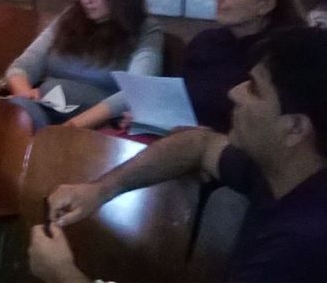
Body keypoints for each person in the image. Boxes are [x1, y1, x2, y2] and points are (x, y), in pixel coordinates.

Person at [29, 26, 327, 283]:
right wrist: (100, 190)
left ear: (295, 128)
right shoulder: (283, 168)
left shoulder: (300, 246)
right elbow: (200, 144)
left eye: (254, 89)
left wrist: (62, 274)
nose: (234, 93)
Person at [6, 0, 162, 130]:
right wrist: (25, 94)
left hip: (93, 124)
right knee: (14, 110)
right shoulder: (69, 18)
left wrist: (70, 127)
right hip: (44, 109)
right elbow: (22, 66)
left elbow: (136, 90)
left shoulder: (145, 29)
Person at [183, 0, 304, 133]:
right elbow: (181, 96)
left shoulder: (285, 52)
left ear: (265, 4)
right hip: (185, 135)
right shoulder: (204, 42)